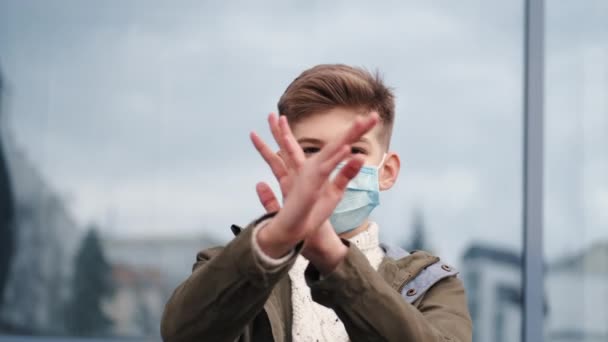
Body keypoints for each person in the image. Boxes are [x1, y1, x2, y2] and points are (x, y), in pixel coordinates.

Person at [160, 65, 472, 342]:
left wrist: (332, 257)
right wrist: (273, 241)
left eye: (353, 151)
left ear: (386, 172)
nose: (330, 164)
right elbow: (183, 334)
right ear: (284, 163)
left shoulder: (430, 285)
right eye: (311, 150)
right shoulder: (232, 268)